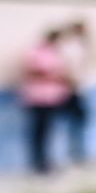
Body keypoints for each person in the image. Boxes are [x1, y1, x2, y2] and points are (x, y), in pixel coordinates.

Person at [20, 28, 71, 175]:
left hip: (53, 97)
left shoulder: (57, 54)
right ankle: (38, 164)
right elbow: (31, 71)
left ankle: (47, 162)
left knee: (48, 131)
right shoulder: (36, 52)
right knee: (38, 131)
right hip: (38, 98)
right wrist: (52, 75)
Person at [57, 20, 94, 165]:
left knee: (80, 124)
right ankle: (74, 155)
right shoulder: (69, 47)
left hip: (81, 90)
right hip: (69, 91)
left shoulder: (83, 46)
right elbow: (64, 67)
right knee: (72, 124)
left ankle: (79, 154)